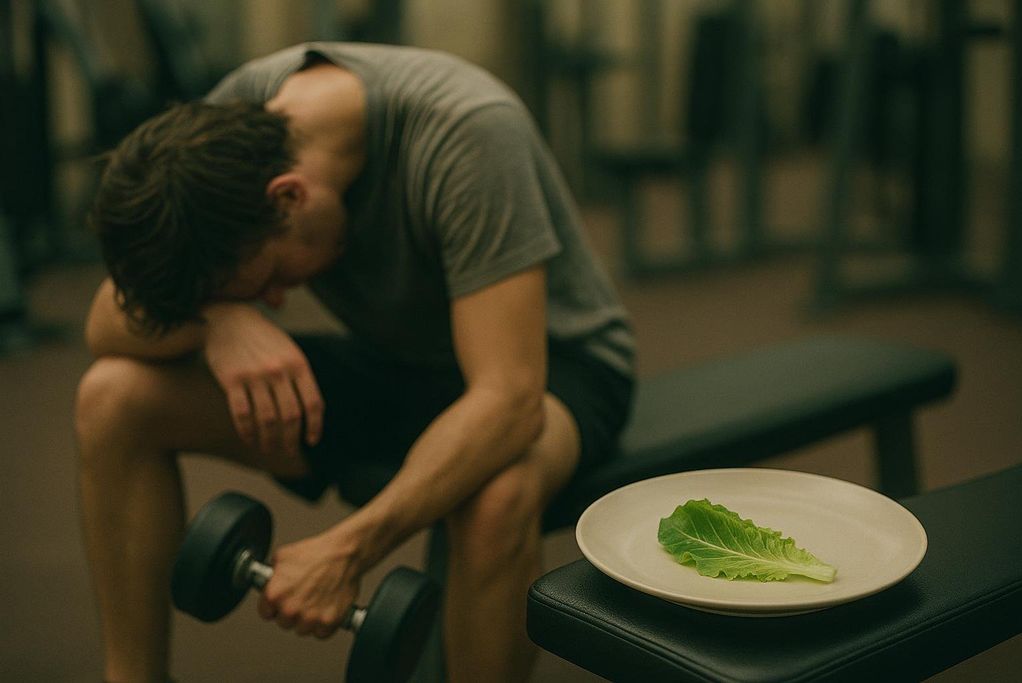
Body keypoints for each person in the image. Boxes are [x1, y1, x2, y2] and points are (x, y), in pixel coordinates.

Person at [76, 42, 634, 683]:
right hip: (394, 362)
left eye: (269, 279)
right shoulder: (231, 123)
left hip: (555, 366)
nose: (276, 301)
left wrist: (348, 549)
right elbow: (104, 322)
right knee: (112, 396)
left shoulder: (466, 131)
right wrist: (217, 322)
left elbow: (507, 401)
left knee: (495, 495)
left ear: (287, 196)